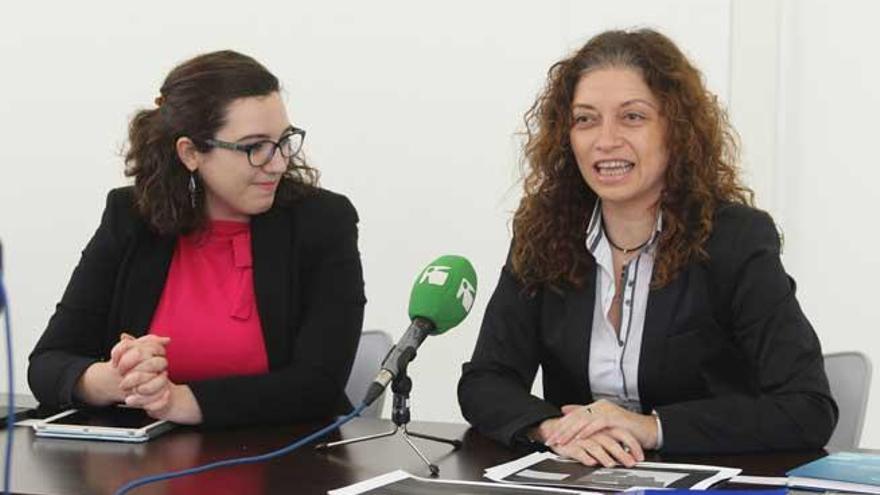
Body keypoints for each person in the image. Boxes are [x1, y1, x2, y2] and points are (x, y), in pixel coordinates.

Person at [457, 29, 837, 467]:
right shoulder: (545, 234)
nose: (605, 140)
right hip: (583, 479)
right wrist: (549, 430)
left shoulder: (735, 239)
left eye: (632, 117)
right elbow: (486, 379)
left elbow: (807, 406)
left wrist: (652, 426)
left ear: (676, 131)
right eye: (585, 119)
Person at [28, 50, 366, 427]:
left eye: (284, 141)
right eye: (255, 147)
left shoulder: (322, 222)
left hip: (285, 464)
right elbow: (47, 363)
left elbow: (318, 384)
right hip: (143, 471)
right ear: (190, 153)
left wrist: (180, 401)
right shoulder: (130, 217)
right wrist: (111, 380)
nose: (278, 163)